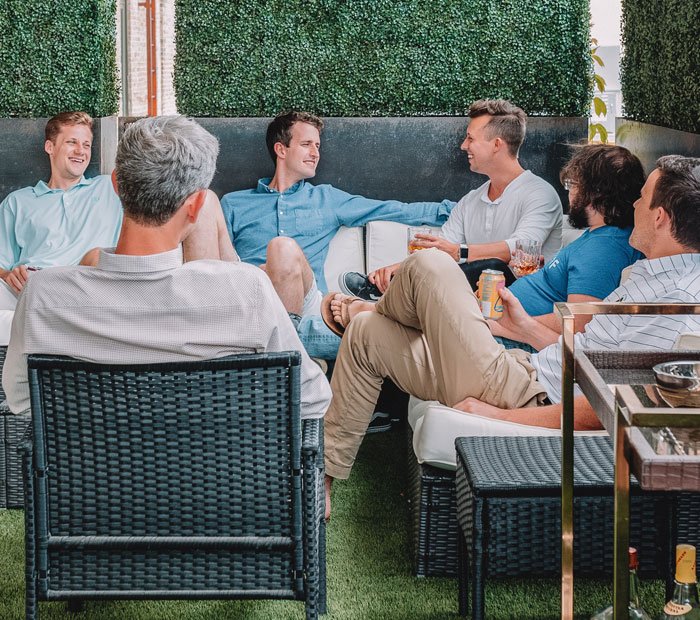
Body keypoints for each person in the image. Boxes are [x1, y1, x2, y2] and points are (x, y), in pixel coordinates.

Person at [322, 155, 700, 518]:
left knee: (430, 263)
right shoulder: (652, 277)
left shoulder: (676, 303)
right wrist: (522, 328)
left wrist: (503, 416)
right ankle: (324, 478)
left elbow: (615, 408)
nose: (634, 204)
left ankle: (372, 307)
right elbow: (588, 360)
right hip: (523, 369)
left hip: (527, 395)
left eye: (643, 198)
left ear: (660, 217)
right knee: (366, 335)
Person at [2, 115, 331, 421]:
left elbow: (21, 400)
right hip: (220, 461)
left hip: (89, 463)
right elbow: (310, 399)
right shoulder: (249, 291)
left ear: (116, 186)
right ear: (196, 206)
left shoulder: (42, 295)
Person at [219, 110, 455, 359]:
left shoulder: (327, 198)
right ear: (281, 149)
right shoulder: (234, 204)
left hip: (306, 303)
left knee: (282, 248)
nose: (315, 153)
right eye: (306, 144)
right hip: (253, 299)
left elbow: (395, 209)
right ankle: (293, 346)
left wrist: (461, 211)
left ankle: (280, 349)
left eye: (317, 146)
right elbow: (218, 264)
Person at [339, 98, 563, 299]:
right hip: (470, 299)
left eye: (470, 138)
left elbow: (522, 249)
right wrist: (394, 270)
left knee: (493, 267)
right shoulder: (470, 201)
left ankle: (392, 296)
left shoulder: (539, 194)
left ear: (497, 144)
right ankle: (387, 291)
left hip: (523, 298)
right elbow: (440, 250)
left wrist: (459, 252)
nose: (463, 146)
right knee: (450, 266)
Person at [491, 143, 645, 348]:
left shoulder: (602, 250)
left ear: (595, 192)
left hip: (513, 340)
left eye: (573, 184)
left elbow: (579, 323)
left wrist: (508, 324)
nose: (569, 193)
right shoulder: (603, 235)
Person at [0, 112, 122, 308]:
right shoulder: (17, 202)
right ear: (50, 147)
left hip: (89, 289)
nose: (80, 151)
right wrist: (8, 274)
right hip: (32, 288)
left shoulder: (110, 187)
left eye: (86, 145)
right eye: (72, 142)